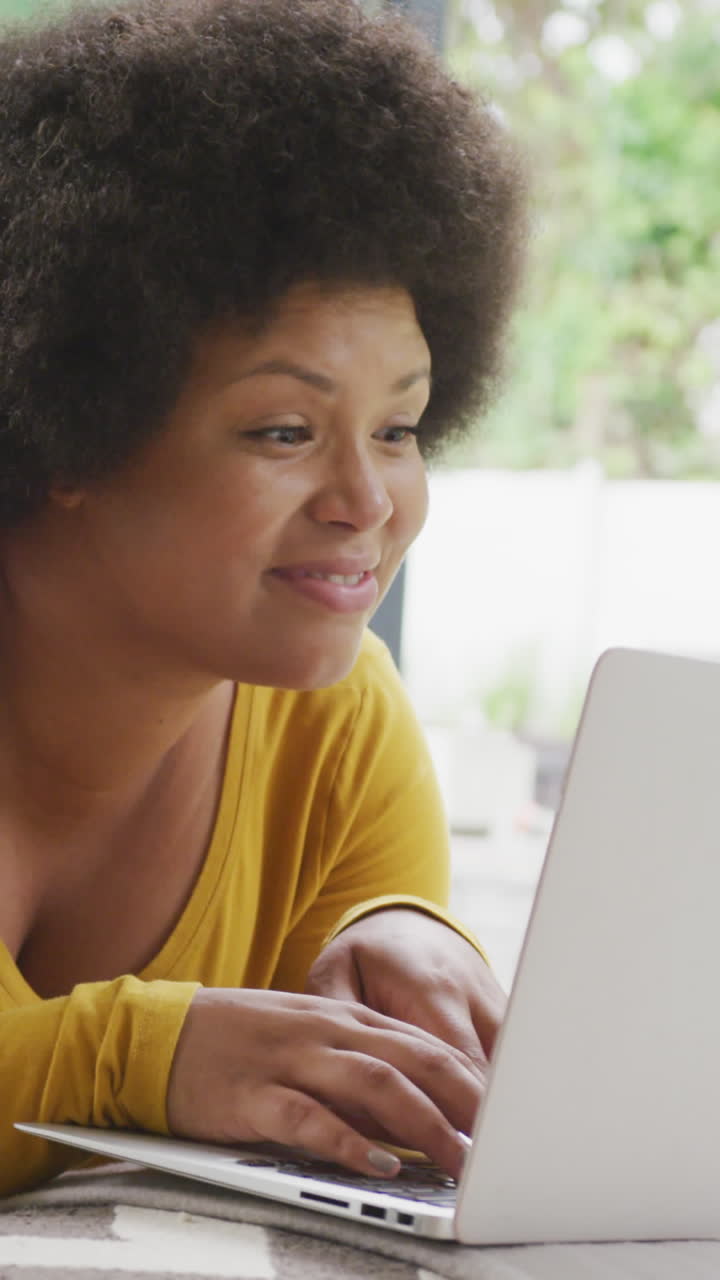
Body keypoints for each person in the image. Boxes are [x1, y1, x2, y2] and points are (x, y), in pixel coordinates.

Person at [0, 0, 527, 1197]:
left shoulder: (337, 727)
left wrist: (411, 954)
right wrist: (146, 1056)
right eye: (284, 430)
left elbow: (368, 1116)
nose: (368, 500)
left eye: (398, 427)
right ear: (67, 424)